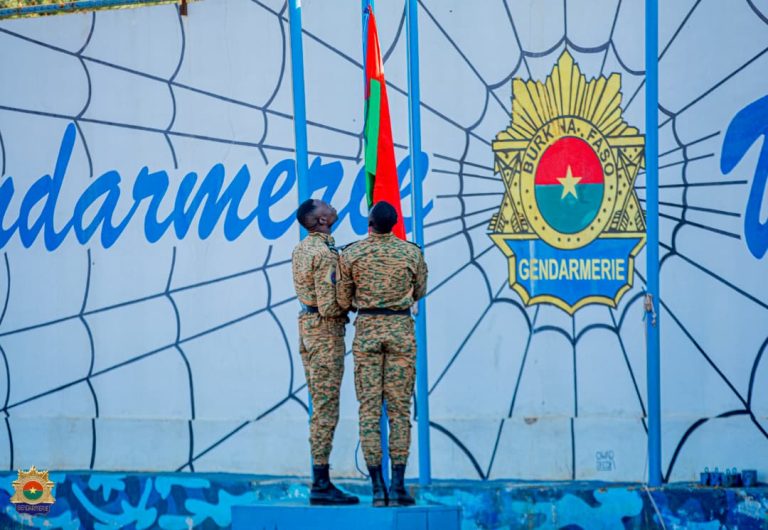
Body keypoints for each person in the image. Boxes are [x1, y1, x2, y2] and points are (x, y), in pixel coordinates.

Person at [337, 201, 428, 507]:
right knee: (400, 411)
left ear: (370, 224)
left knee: (369, 410)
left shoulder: (351, 253)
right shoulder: (411, 252)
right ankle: (399, 486)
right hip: (401, 329)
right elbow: (420, 290)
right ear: (394, 224)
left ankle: (378, 488)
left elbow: (343, 297)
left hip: (368, 331)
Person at [291, 199, 358, 506]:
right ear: (320, 221)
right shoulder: (324, 253)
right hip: (325, 331)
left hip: (306, 327)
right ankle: (321, 482)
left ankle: (321, 479)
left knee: (320, 405)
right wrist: (360, 302)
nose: (332, 207)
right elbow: (330, 304)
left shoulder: (302, 248)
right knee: (326, 408)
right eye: (325, 206)